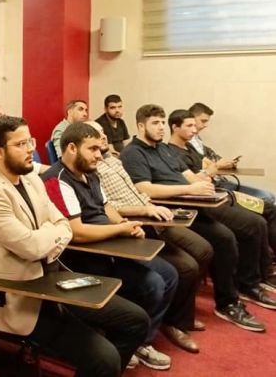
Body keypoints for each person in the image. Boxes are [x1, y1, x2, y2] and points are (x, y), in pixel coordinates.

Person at [0, 116, 149, 376]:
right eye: (20, 144)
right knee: (104, 358)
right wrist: (50, 233)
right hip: (19, 293)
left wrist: (46, 235)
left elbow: (64, 224)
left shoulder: (31, 179)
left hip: (52, 279)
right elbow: (32, 247)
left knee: (136, 320)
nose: (30, 149)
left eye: (30, 141)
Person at [121, 104, 270, 331]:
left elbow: (188, 175)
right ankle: (228, 302)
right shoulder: (133, 153)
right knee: (225, 238)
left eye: (162, 122)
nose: (161, 127)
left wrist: (203, 184)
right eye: (155, 123)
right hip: (173, 209)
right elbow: (145, 189)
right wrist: (189, 190)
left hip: (197, 201)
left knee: (250, 223)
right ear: (141, 126)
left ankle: (245, 287)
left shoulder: (164, 150)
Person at [42, 122, 176, 370]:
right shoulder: (55, 180)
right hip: (83, 258)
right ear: (71, 148)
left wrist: (124, 224)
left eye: (99, 148)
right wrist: (121, 230)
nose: (99, 154)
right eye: (92, 149)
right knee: (153, 284)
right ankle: (124, 340)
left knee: (169, 274)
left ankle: (139, 342)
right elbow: (77, 233)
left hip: (110, 244)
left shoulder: (90, 172)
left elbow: (106, 207)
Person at [89, 120, 213, 354]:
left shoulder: (114, 161)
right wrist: (142, 212)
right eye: (96, 136)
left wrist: (153, 207)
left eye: (104, 134)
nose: (104, 137)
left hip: (151, 214)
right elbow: (107, 207)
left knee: (202, 251)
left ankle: (177, 317)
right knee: (183, 268)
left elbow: (135, 193)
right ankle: (162, 329)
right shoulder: (92, 169)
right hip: (137, 222)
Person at [166, 109, 276, 290]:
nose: (195, 129)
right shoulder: (170, 153)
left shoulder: (189, 147)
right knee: (256, 222)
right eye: (190, 125)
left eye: (195, 125)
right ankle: (254, 277)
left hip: (220, 190)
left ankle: (265, 271)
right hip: (208, 199)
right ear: (175, 127)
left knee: (269, 208)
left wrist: (210, 169)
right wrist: (211, 169)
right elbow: (197, 179)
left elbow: (208, 166)